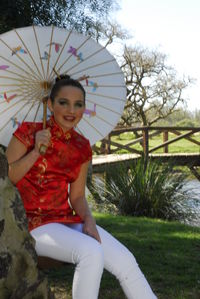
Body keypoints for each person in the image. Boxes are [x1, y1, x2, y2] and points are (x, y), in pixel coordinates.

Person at [6, 75, 157, 299]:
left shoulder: (81, 146)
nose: (71, 110)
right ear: (50, 104)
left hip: (66, 221)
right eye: (63, 102)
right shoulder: (28, 132)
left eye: (78, 104)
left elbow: (77, 197)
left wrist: (89, 221)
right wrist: (36, 151)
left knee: (125, 260)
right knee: (90, 251)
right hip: (30, 223)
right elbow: (6, 180)